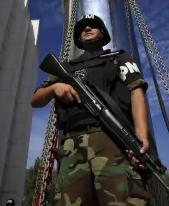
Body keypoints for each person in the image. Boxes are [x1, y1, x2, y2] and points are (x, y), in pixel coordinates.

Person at [31, 14, 151, 206]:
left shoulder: (118, 58)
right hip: (72, 144)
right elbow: (35, 100)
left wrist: (141, 136)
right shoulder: (66, 67)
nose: (86, 28)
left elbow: (136, 92)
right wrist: (55, 88)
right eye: (83, 27)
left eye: (92, 25)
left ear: (102, 32)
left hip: (111, 138)